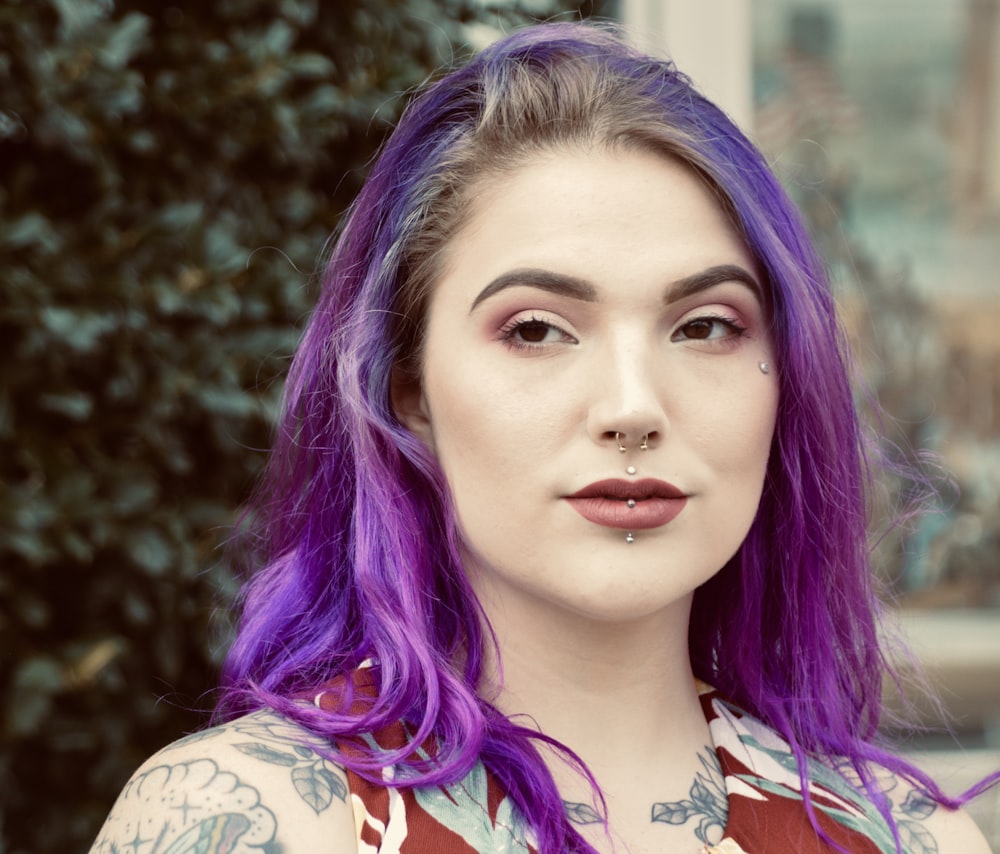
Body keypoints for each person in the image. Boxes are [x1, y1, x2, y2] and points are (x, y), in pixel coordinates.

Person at [90, 22, 996, 854]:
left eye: (706, 326)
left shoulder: (917, 840)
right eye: (536, 330)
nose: (633, 406)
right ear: (408, 390)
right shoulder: (246, 821)